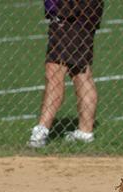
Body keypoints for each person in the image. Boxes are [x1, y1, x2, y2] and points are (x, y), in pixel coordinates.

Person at [28, 0, 104, 148]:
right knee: (80, 71)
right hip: (82, 13)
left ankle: (41, 132)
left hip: (70, 12)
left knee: (54, 70)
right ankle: (85, 132)